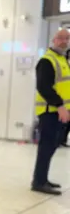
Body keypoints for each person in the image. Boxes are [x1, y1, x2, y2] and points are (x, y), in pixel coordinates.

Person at [32, 29, 70, 195]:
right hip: (50, 112)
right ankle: (38, 182)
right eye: (60, 38)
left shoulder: (63, 59)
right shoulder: (47, 60)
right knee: (46, 147)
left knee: (52, 146)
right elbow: (43, 87)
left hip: (60, 112)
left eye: (67, 38)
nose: (64, 41)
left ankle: (43, 179)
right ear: (54, 40)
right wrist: (60, 105)